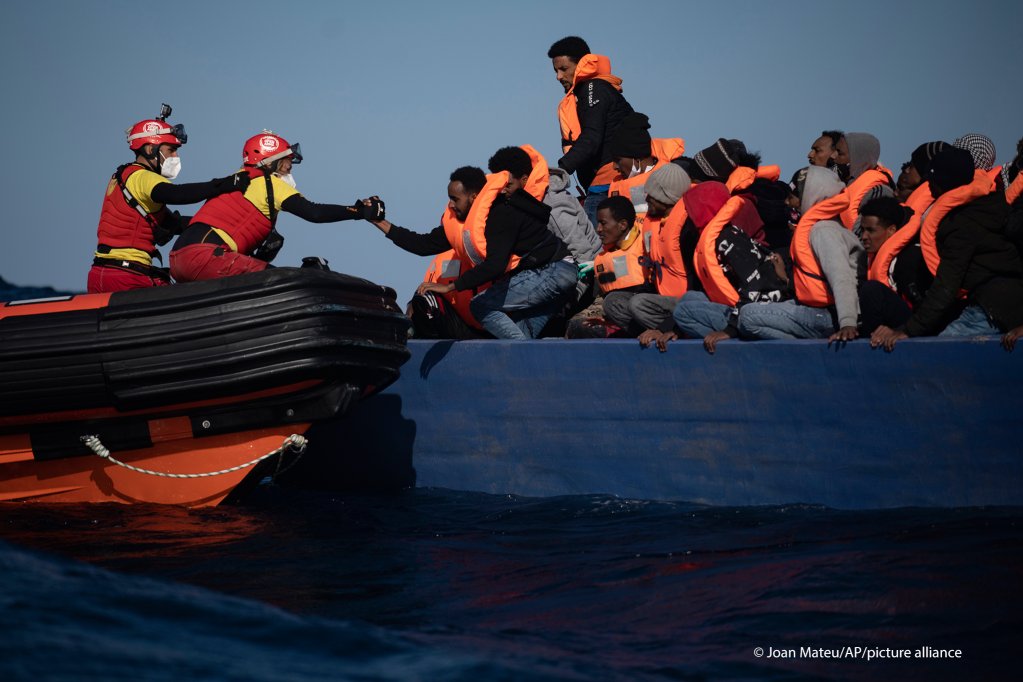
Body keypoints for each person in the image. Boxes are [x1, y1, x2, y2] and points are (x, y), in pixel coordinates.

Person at [369, 165, 577, 340]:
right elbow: (422, 244)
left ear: (474, 197)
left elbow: (495, 265)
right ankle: (525, 363)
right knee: (520, 332)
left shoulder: (501, 215)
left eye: (455, 199)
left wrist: (450, 286)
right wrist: (379, 222)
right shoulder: (464, 226)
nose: (450, 204)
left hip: (555, 270)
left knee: (481, 306)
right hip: (544, 277)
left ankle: (522, 357)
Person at [169, 131, 380, 282]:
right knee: (285, 281)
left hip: (179, 259)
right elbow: (314, 212)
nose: (290, 169)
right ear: (269, 162)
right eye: (286, 162)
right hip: (206, 257)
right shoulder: (268, 183)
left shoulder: (236, 182)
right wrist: (359, 211)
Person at [871, 147, 1023, 350]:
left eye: (933, 183)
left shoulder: (961, 225)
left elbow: (946, 286)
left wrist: (908, 330)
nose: (929, 188)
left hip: (992, 307)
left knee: (941, 352)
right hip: (1007, 299)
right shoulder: (992, 205)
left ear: (943, 185)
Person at [89, 105, 250, 293]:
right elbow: (178, 194)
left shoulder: (122, 178)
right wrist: (226, 184)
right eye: (171, 150)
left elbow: (173, 224)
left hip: (100, 273)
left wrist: (220, 226)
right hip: (128, 276)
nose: (176, 156)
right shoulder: (143, 177)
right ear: (150, 149)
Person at [646, 184, 792, 353]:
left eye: (690, 209)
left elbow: (753, 285)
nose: (688, 216)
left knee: (683, 311)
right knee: (690, 298)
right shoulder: (718, 236)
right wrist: (671, 329)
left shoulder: (727, 239)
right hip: (742, 304)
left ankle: (731, 349)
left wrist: (729, 331)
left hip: (758, 309)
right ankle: (678, 333)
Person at [738, 166, 865, 342]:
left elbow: (841, 276)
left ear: (811, 196)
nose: (788, 203)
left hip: (829, 316)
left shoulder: (823, 230)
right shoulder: (824, 226)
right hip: (819, 311)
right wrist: (786, 279)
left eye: (793, 197)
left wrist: (848, 322)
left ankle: (803, 350)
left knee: (748, 316)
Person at [547, 36, 635, 227]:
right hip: (599, 185)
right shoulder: (587, 92)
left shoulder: (593, 89)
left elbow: (592, 137)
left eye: (564, 69)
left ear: (580, 65)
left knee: (593, 250)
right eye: (555, 71)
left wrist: (558, 171)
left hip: (608, 183)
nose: (558, 77)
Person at [602, 164, 691, 335]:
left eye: (651, 195)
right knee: (613, 301)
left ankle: (671, 333)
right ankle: (646, 335)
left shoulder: (687, 229)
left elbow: (696, 285)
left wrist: (669, 327)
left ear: (665, 197)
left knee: (639, 304)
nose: (646, 198)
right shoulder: (654, 225)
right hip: (659, 298)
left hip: (685, 302)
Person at [833, 132, 895, 231]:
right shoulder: (842, 184)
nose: (833, 156)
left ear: (857, 158)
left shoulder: (878, 191)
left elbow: (872, 233)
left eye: (840, 153)